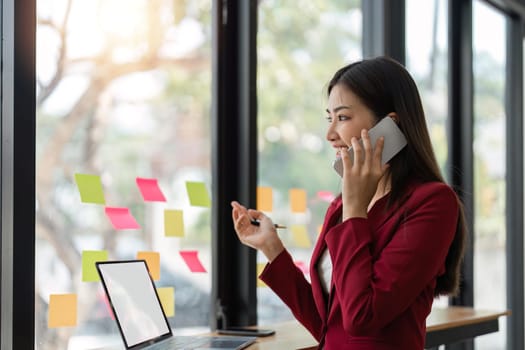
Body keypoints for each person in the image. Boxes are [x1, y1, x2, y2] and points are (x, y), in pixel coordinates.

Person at [231, 56, 467, 350]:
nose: (330, 135)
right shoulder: (342, 206)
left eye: (342, 118)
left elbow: (363, 318)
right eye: (329, 119)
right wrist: (271, 247)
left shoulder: (432, 203)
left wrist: (355, 211)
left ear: (389, 126)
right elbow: (327, 325)